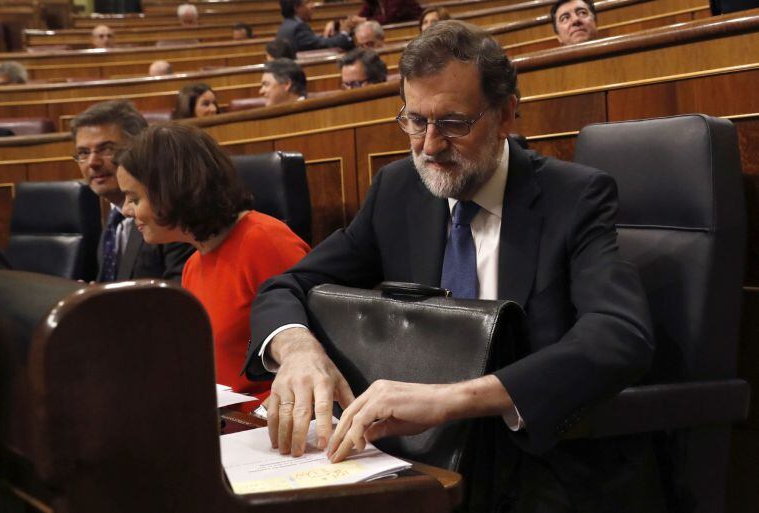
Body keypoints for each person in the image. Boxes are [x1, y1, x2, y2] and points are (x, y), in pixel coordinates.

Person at [245, 20, 665, 513]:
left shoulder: (575, 197)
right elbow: (290, 283)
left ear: (507, 113)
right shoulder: (399, 189)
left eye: (453, 123)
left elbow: (619, 336)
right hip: (425, 463)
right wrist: (297, 350)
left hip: (539, 466)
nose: (428, 145)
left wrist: (452, 399)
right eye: (414, 120)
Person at [114, 123, 309, 408]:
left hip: (273, 430)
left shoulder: (265, 241)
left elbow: (320, 358)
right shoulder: (194, 264)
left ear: (172, 190)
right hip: (225, 426)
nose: (127, 211)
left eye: (134, 198)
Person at [71, 100, 193, 282]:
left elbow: (181, 298)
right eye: (83, 153)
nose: (92, 163)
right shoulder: (113, 218)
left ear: (140, 148)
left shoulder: (170, 214)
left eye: (106, 149)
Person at [276, 0, 355, 52]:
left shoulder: (288, 24)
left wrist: (327, 36)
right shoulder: (298, 27)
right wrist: (344, 32)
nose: (313, 6)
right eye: (308, 2)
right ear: (297, 7)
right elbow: (321, 45)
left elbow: (313, 42)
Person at [358, 0, 422, 24]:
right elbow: (361, 15)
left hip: (411, 31)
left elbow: (389, 18)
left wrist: (366, 20)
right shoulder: (372, 2)